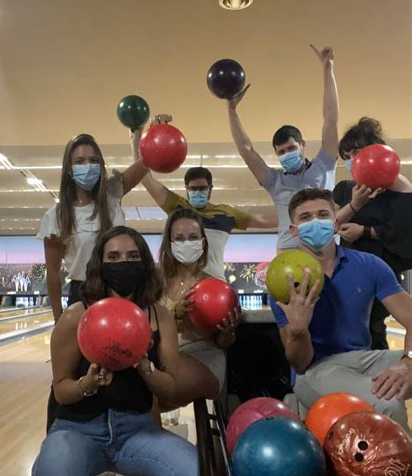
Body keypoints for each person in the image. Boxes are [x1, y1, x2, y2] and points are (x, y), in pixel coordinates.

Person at [29, 226, 200, 476]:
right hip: (78, 429)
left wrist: (144, 367)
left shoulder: (158, 316)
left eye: (133, 257)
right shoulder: (77, 315)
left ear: (144, 264)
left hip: (135, 431)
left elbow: (172, 389)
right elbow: (61, 386)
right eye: (114, 257)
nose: (124, 264)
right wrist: (87, 384)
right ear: (100, 265)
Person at [269, 188, 412, 428]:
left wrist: (407, 362)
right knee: (388, 403)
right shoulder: (284, 280)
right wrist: (299, 330)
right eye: (305, 218)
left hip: (366, 360)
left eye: (323, 215)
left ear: (336, 223)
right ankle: (400, 466)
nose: (315, 222)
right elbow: (300, 363)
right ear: (293, 231)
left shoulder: (370, 265)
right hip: (316, 371)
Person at [37, 133, 148, 431]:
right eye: (80, 161)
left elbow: (148, 161)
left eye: (94, 160)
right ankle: (57, 438)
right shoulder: (57, 216)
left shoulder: (112, 194)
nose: (88, 166)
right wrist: (60, 320)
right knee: (71, 375)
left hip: (122, 291)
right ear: (69, 169)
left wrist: (145, 132)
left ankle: (128, 439)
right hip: (82, 294)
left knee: (129, 371)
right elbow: (52, 272)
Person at [131, 118, 277, 280]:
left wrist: (297, 217)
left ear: (210, 189)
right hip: (182, 284)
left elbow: (263, 221)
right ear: (186, 189)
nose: (197, 192)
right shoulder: (177, 207)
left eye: (202, 188)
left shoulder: (226, 213)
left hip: (216, 283)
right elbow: (145, 178)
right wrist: (140, 137)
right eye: (193, 189)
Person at [228, 44, 339, 252]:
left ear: (302, 145)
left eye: (291, 148)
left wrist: (328, 69)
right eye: (281, 152)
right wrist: (232, 110)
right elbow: (246, 150)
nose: (286, 154)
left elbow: (330, 120)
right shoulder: (274, 181)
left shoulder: (324, 165)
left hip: (327, 247)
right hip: (289, 250)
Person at [333, 117, 412, 349]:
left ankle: (386, 378)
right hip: (349, 273)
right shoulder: (347, 189)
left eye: (355, 153)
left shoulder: (403, 191)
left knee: (374, 330)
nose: (351, 161)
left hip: (384, 275)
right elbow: (331, 225)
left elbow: (404, 236)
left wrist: (364, 231)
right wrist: (355, 204)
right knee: (350, 329)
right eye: (345, 157)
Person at [158, 208, 240, 398]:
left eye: (193, 237)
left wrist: (229, 331)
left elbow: (223, 343)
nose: (187, 242)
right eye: (179, 238)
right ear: (169, 244)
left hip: (204, 358)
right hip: (166, 358)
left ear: (203, 242)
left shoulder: (216, 287)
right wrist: (174, 315)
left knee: (156, 384)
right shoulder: (156, 283)